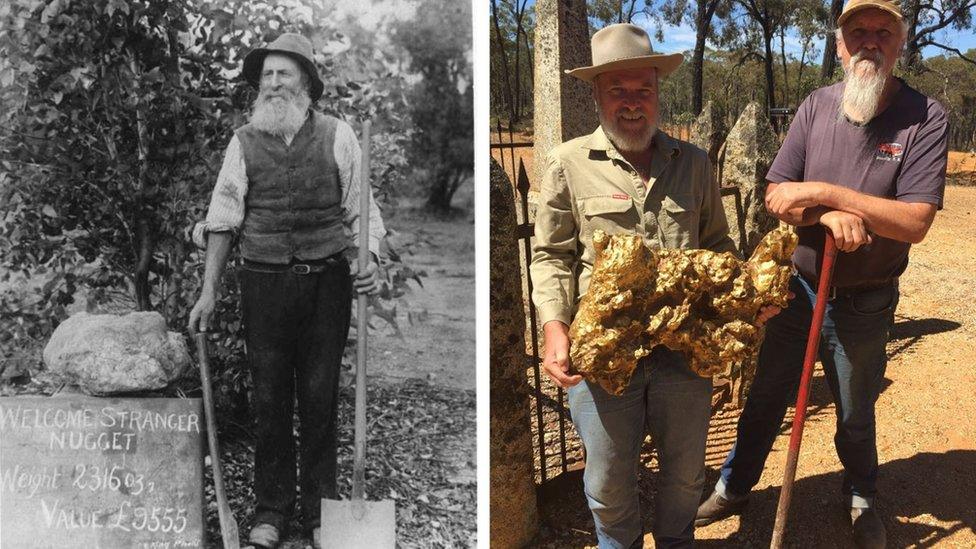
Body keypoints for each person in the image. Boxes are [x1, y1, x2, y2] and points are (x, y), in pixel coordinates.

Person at [695, 1, 948, 547]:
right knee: (765, 397)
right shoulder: (815, 107)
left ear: (901, 43)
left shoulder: (925, 117)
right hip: (797, 289)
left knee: (855, 411)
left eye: (884, 31)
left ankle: (861, 496)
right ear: (839, 44)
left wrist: (827, 192)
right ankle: (735, 484)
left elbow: (915, 220)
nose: (869, 41)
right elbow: (776, 194)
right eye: (857, 30)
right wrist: (826, 214)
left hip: (865, 300)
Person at [530, 23, 779, 548]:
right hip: (603, 354)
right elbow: (550, 256)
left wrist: (741, 301)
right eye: (617, 90)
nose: (632, 103)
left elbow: (718, 247)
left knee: (687, 476)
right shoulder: (567, 164)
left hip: (684, 352)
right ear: (596, 93)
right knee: (608, 481)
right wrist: (555, 329)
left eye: (643, 89)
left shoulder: (691, 163)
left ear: (657, 93)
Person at [187, 33, 384, 549]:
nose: (273, 83)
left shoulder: (340, 136)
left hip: (326, 288)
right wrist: (209, 291)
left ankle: (321, 514)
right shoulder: (244, 141)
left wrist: (369, 261)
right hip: (264, 286)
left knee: (319, 399)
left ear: (307, 85)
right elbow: (222, 221)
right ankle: (270, 511)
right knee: (270, 400)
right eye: (266, 75)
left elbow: (362, 213)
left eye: (284, 74)